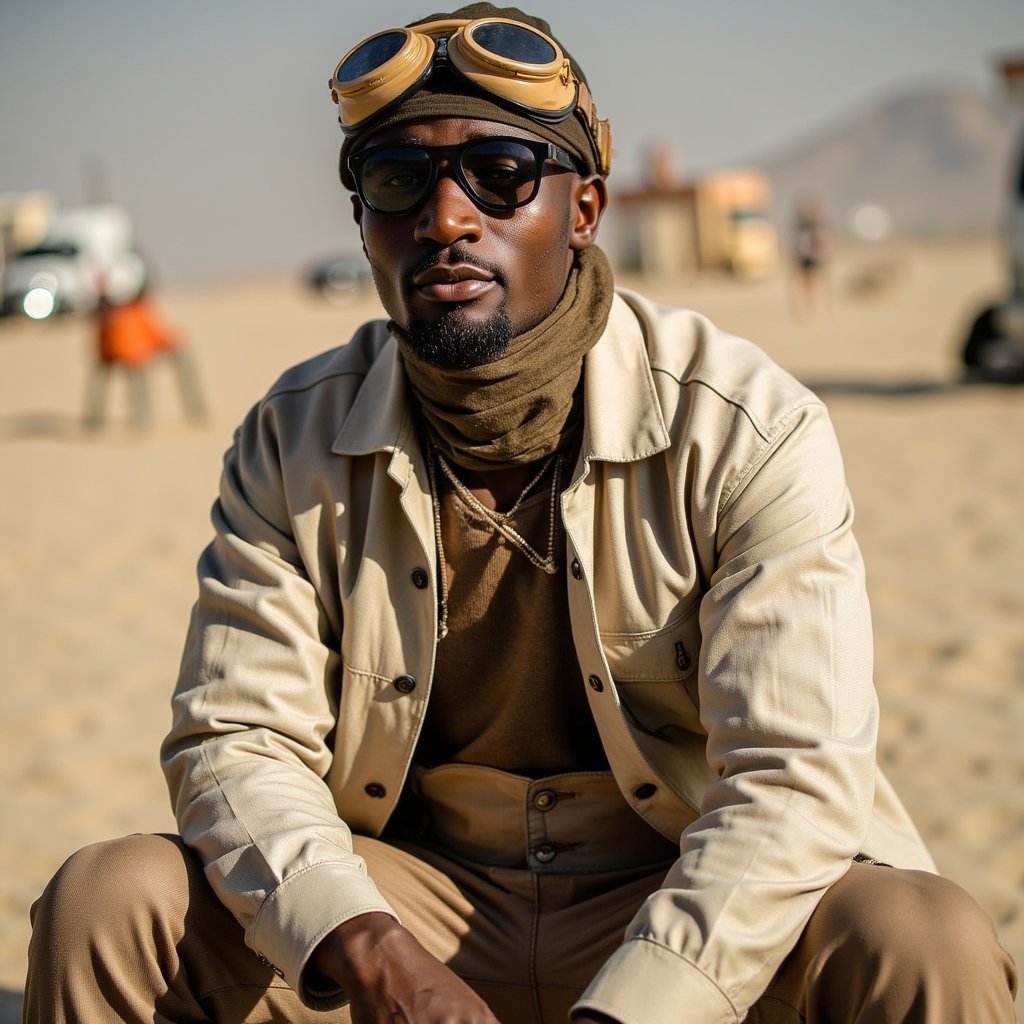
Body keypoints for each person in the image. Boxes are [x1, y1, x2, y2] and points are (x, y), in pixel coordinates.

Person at [25, 6, 1017, 1023]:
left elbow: (791, 782)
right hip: (408, 896)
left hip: (678, 885)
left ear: (583, 207)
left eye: (502, 173)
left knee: (922, 939)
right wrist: (374, 955)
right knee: (110, 903)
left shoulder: (745, 428)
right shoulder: (294, 438)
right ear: (363, 220)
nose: (446, 218)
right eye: (398, 179)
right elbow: (236, 739)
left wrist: (630, 1008)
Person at [83, 278, 207, 431]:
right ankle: (135, 420)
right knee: (132, 372)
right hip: (127, 346)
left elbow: (155, 331)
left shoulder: (136, 307)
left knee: (178, 360)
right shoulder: (116, 311)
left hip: (142, 338)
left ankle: (194, 410)